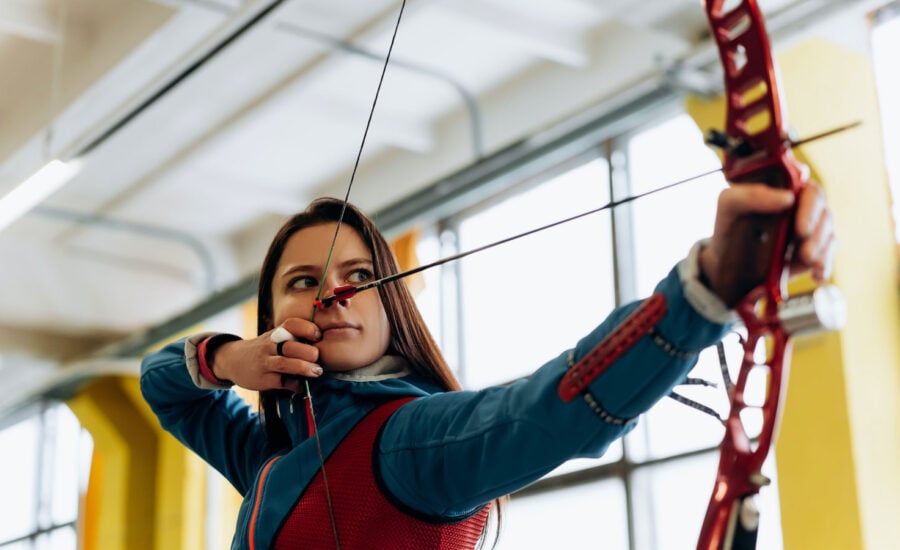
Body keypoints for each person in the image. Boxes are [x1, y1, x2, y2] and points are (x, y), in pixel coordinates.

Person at [140, 184, 835, 549]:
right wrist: (229, 357)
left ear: (391, 309)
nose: (333, 293)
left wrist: (705, 288)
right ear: (271, 311)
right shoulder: (271, 455)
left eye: (359, 275)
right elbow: (163, 386)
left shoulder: (406, 443)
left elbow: (545, 411)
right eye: (302, 281)